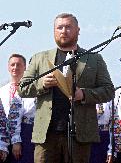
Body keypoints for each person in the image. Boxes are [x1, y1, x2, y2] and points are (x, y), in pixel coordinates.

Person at [18, 13, 115, 163]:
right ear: (54, 31)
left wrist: (83, 94)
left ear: (78, 30)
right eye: (60, 27)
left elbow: (108, 90)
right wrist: (42, 84)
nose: (64, 31)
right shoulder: (39, 58)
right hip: (46, 135)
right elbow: (22, 88)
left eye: (68, 27)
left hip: (80, 135)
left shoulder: (94, 58)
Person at [0, 54, 36, 163]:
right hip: (3, 136)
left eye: (19, 65)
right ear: (8, 67)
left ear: (25, 67)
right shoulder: (1, 91)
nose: (15, 67)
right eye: (12, 65)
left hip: (25, 136)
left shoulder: (32, 90)